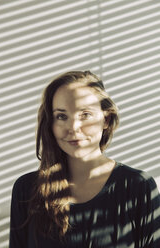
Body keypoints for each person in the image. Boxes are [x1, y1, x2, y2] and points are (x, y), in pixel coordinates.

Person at [9, 71, 160, 248]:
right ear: (51, 123)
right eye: (61, 116)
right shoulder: (26, 190)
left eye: (85, 114)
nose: (73, 127)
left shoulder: (137, 187)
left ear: (106, 119)